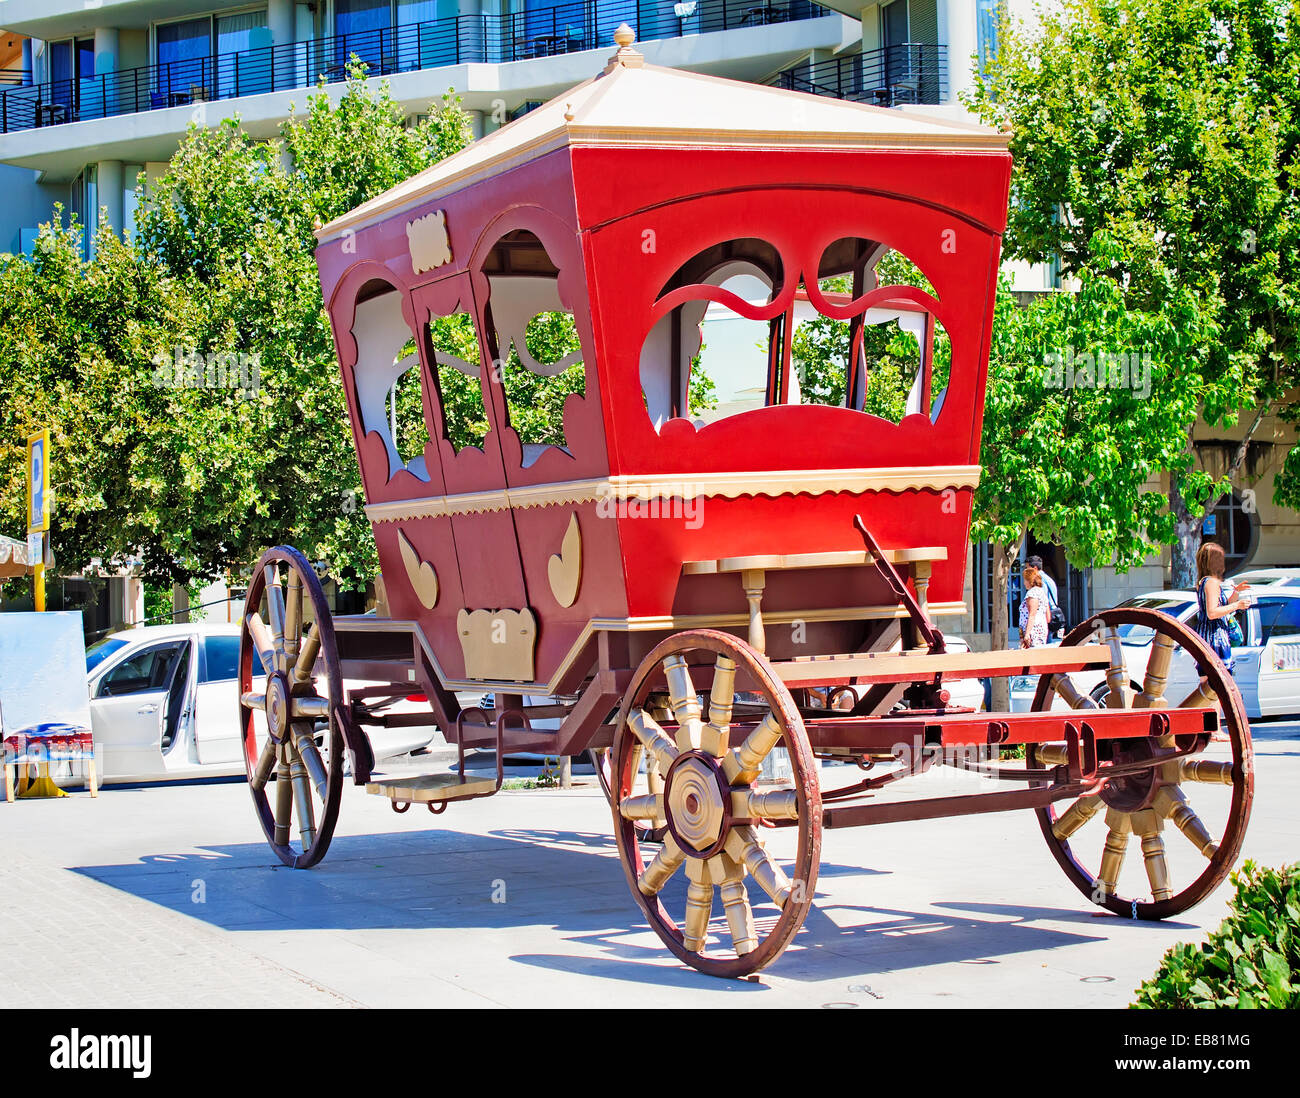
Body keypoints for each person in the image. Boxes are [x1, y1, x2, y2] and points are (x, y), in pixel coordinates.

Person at [1194, 541, 1251, 671]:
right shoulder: (1211, 583)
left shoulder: (1203, 581)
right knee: (1220, 684)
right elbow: (1212, 612)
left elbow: (1222, 607)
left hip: (1207, 636)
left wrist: (1236, 592)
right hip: (1215, 638)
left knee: (1208, 684)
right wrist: (1238, 605)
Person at [1026, 553, 1065, 638]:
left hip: (1047, 614)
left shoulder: (1041, 580)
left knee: (1045, 642)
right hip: (1051, 613)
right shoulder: (1047, 578)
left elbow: (1042, 601)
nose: (1026, 571)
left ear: (1035, 568)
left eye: (1028, 568)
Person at [1018, 564, 1051, 648]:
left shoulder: (1033, 593)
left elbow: (1032, 614)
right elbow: (1048, 617)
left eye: (1025, 580)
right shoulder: (1042, 592)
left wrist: (1027, 634)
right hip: (1041, 629)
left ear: (1030, 580)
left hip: (1033, 631)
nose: (1024, 583)